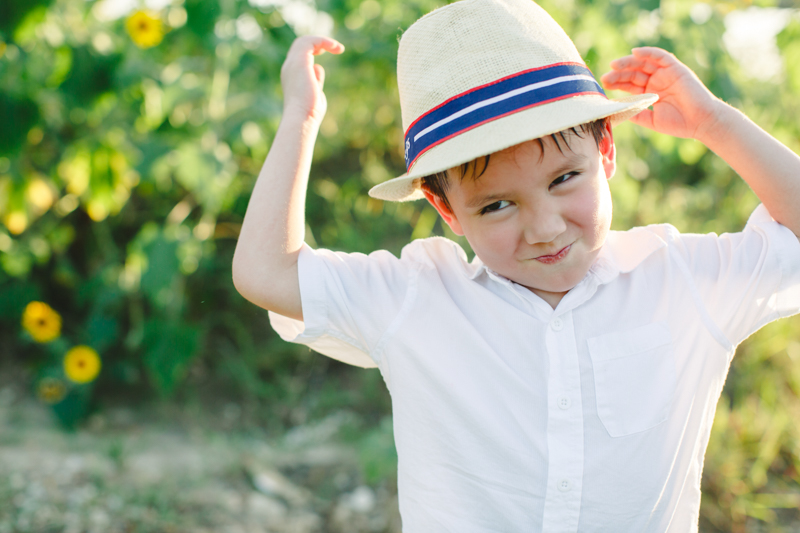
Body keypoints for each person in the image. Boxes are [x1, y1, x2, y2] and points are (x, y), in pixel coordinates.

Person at [232, 0, 800, 530]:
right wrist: (300, 120)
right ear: (446, 208)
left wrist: (713, 123)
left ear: (606, 153)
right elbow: (266, 272)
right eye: (497, 204)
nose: (545, 228)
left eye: (564, 179)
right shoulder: (417, 297)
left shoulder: (678, 279)